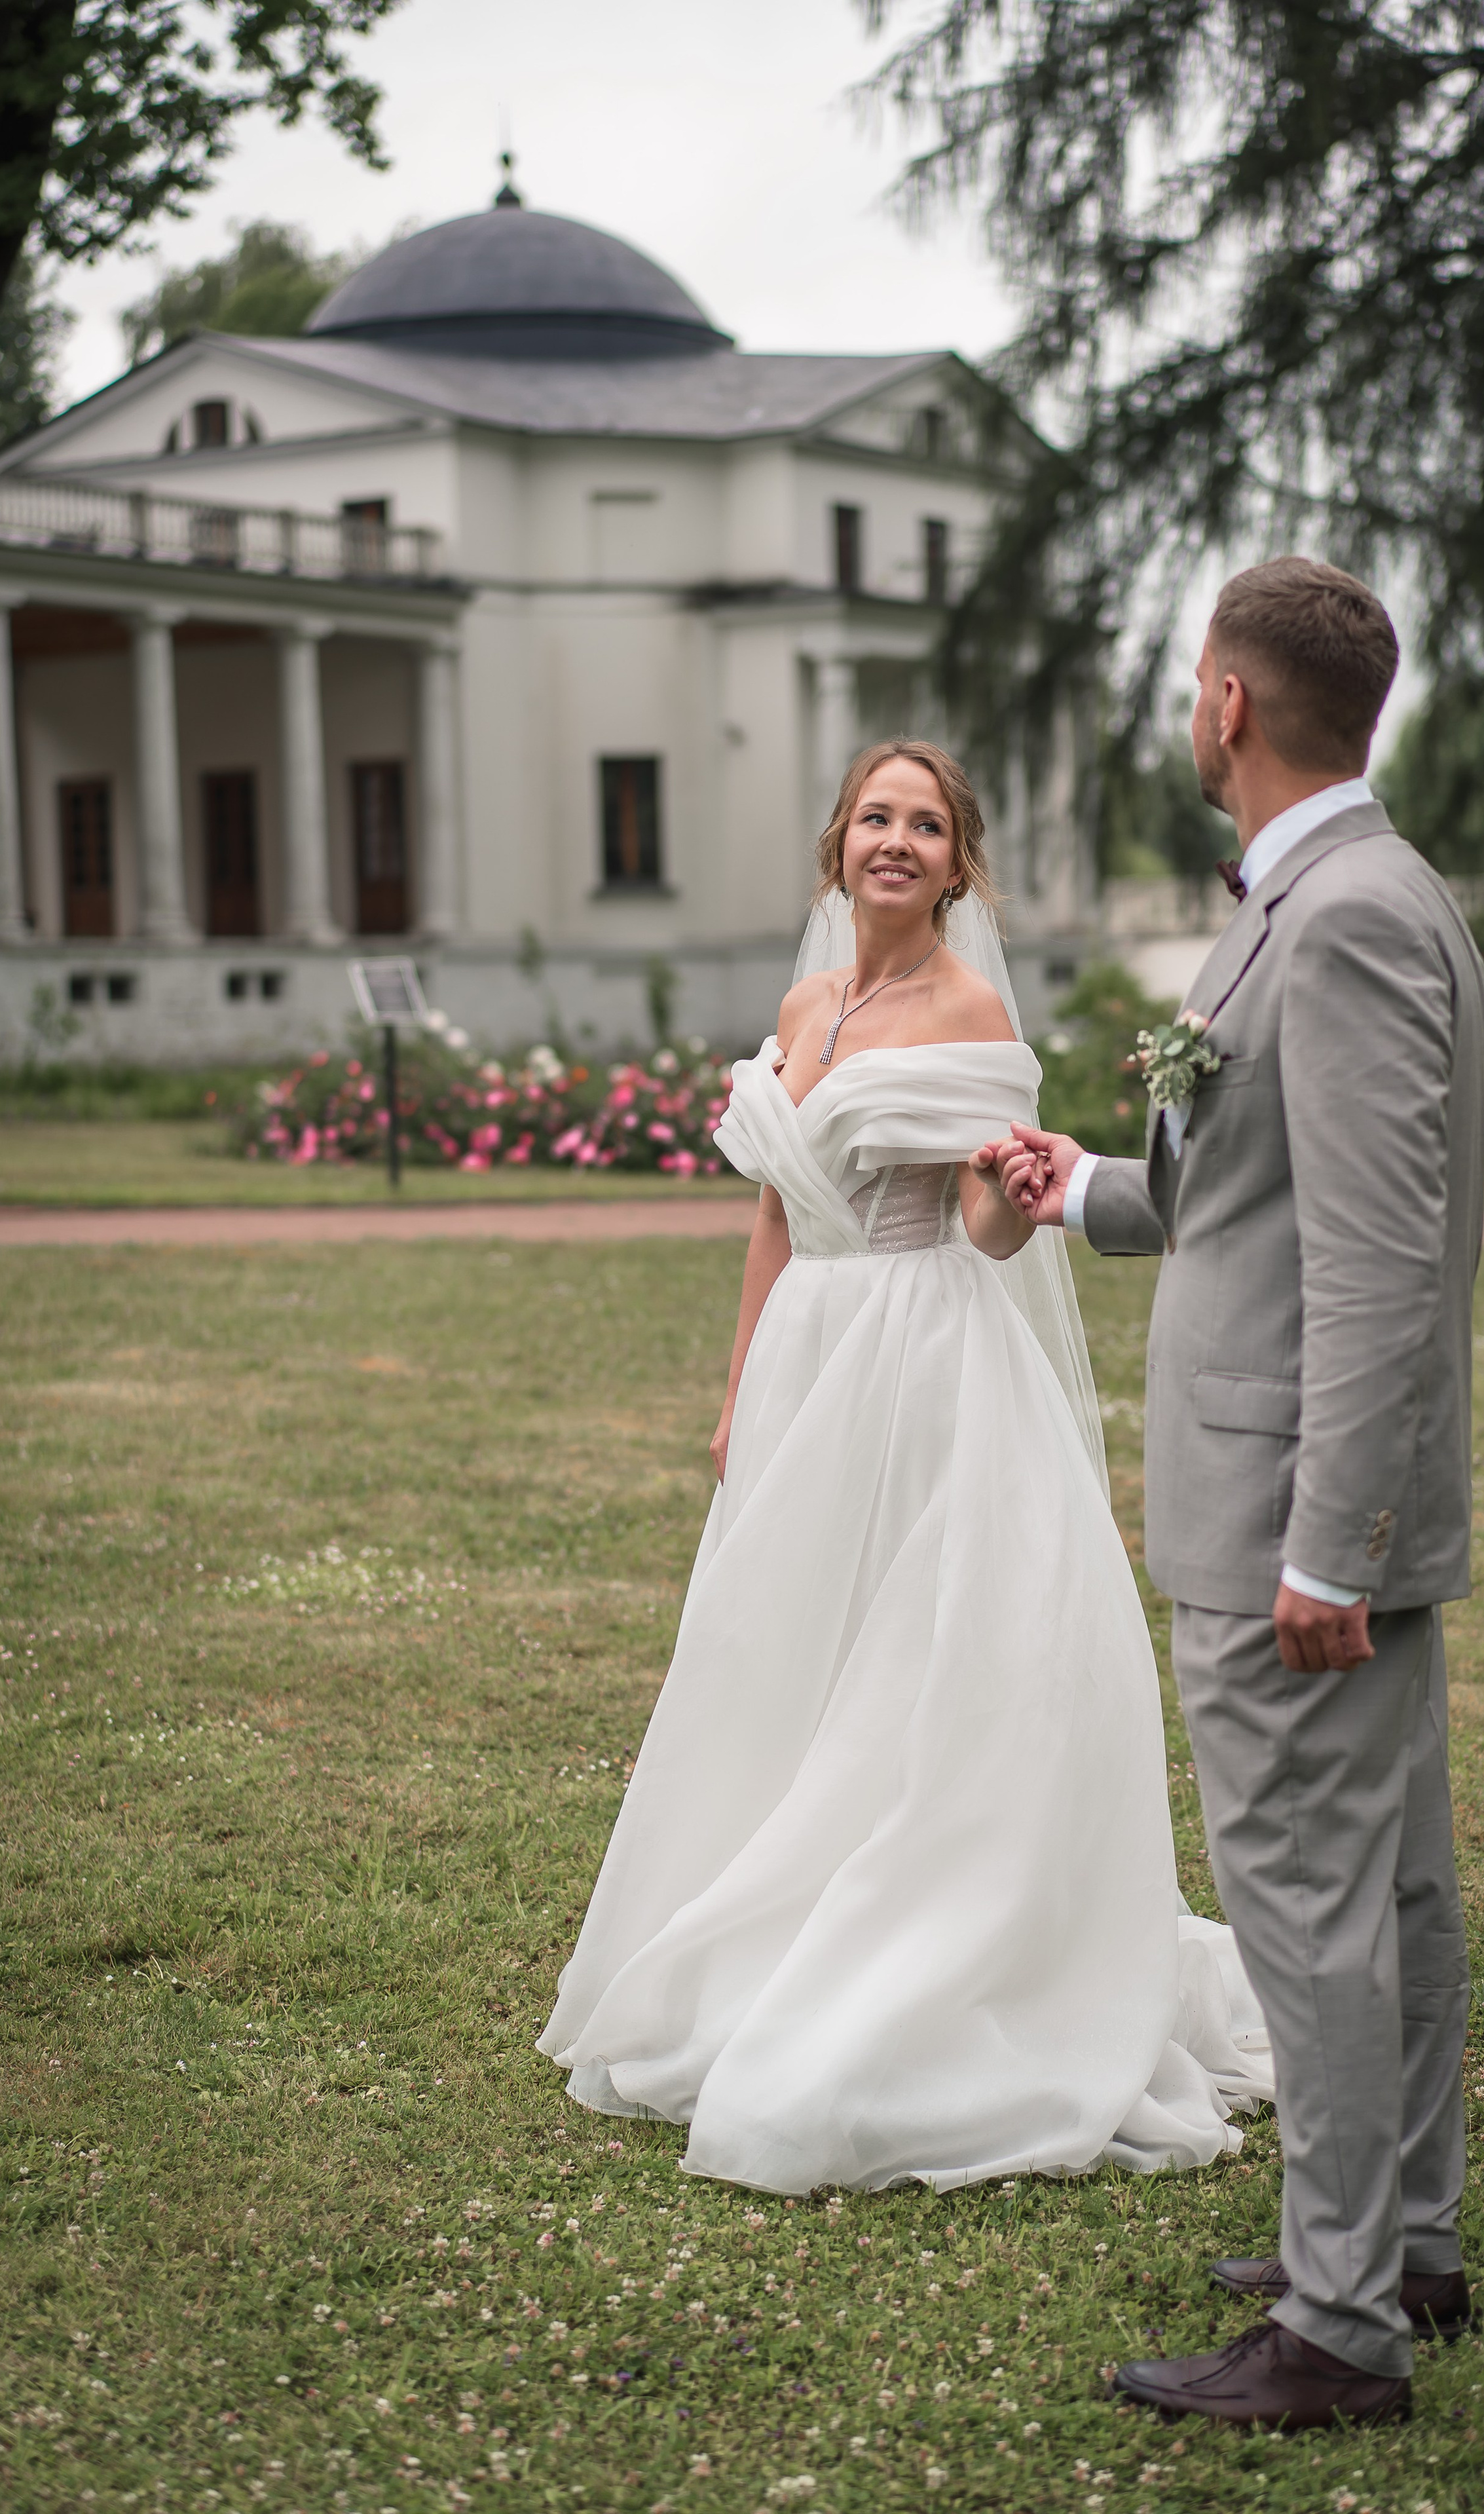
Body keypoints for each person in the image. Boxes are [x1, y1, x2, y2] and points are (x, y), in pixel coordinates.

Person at [538, 737, 1272, 2194]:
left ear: (955, 860)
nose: (894, 841)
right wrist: (740, 1384)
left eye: (923, 825)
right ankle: (769, 1908)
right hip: (810, 1352)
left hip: (922, 1350)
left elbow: (979, 1226)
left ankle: (905, 1937)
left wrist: (1014, 1201)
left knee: (908, 1655)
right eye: (874, 817)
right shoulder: (808, 1000)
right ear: (837, 844)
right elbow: (772, 1211)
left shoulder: (965, 1005)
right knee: (782, 1651)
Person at [983, 557, 1484, 2428]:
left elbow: (1372, 1257)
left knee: (1312, 1904)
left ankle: (1343, 2323)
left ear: (1225, 705)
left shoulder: (1342, 914)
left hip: (1298, 1521)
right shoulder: (1354, 891)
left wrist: (1324, 1540)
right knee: (1398, 1890)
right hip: (1329, 1510)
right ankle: (1404, 2240)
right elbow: (1250, 1190)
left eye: (1193, 684)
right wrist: (1088, 1183)